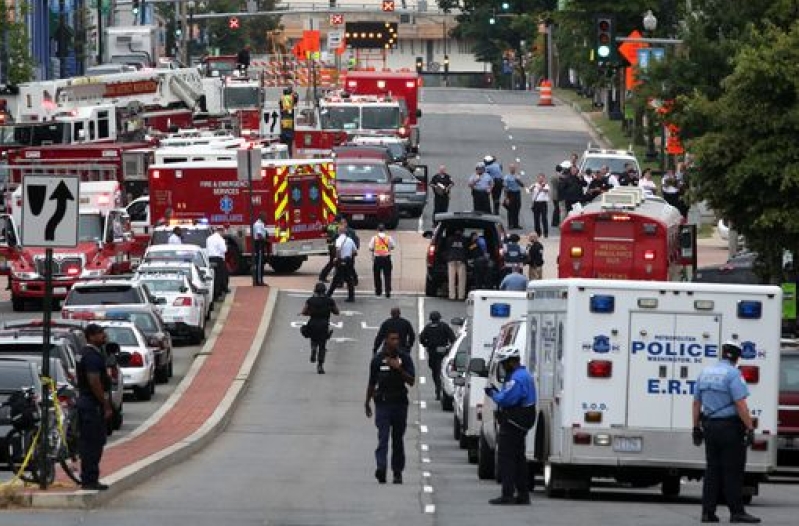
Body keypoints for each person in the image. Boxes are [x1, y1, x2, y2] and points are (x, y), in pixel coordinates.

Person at [692, 342, 760, 524]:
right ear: (737, 357)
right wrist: (750, 427)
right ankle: (737, 512)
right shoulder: (733, 374)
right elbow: (740, 404)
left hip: (710, 427)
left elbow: (696, 403)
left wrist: (695, 427)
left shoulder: (705, 373)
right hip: (729, 428)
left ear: (722, 354)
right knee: (733, 471)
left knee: (712, 471)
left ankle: (708, 513)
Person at [485, 346, 537, 505]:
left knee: (506, 458)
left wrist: (492, 393)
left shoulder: (517, 379)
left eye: (503, 363)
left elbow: (506, 399)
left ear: (510, 362)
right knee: (519, 458)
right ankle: (523, 494)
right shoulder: (524, 375)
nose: (502, 366)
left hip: (514, 421)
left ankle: (507, 494)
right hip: (522, 421)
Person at [365, 329, 416, 485]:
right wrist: (367, 402)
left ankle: (397, 472)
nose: (396, 342)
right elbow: (372, 383)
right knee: (383, 437)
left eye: (397, 339)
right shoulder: (377, 360)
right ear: (386, 340)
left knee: (398, 439)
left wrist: (398, 368)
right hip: (383, 403)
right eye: (393, 339)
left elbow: (411, 381)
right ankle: (381, 468)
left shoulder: (405, 358)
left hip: (400, 403)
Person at [76, 324, 113, 491]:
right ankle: (89, 480)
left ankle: (90, 478)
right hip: (91, 404)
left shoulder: (89, 353)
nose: (103, 335)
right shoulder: (91, 356)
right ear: (91, 336)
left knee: (94, 442)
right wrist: (105, 404)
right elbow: (94, 381)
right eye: (100, 333)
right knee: (93, 443)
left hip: (87, 402)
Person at [301, 282, 340, 374]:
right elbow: (337, 312)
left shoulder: (310, 300)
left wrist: (309, 313)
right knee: (322, 345)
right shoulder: (330, 300)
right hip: (324, 324)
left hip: (313, 323)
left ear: (315, 290)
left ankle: (313, 348)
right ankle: (320, 365)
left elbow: (304, 311)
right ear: (325, 291)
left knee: (312, 337)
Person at [418, 311, 457, 401]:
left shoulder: (427, 327)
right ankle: (439, 387)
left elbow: (421, 338)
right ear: (439, 318)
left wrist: (426, 345)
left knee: (435, 371)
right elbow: (453, 338)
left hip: (432, 352)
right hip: (443, 351)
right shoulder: (444, 326)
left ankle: (437, 388)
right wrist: (449, 347)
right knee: (441, 370)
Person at [327, 224, 357, 302]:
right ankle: (351, 296)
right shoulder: (350, 240)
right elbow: (354, 251)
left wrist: (337, 258)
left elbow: (338, 249)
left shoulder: (338, 240)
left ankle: (328, 295)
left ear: (339, 232)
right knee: (349, 279)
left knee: (336, 279)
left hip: (341, 260)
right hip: (348, 261)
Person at [368, 224, 395, 298]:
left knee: (377, 275)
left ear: (377, 229)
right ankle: (387, 291)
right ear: (384, 230)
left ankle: (378, 291)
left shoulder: (374, 238)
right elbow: (393, 246)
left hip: (377, 258)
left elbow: (370, 247)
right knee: (387, 275)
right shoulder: (388, 238)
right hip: (386, 258)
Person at [206, 225, 229, 298]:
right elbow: (224, 250)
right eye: (223, 232)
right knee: (219, 276)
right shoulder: (220, 239)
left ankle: (213, 293)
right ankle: (217, 293)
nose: (223, 234)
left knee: (213, 276)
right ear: (221, 231)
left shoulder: (209, 238)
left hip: (210, 258)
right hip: (218, 259)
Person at [444, 228, 468, 300]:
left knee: (451, 279)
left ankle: (452, 295)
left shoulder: (449, 239)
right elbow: (467, 250)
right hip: (461, 260)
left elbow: (446, 249)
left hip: (451, 259)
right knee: (461, 279)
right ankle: (461, 296)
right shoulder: (464, 240)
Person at [503, 163, 523, 229]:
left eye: (514, 168)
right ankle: (510, 224)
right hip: (510, 193)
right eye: (511, 168)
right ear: (509, 169)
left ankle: (516, 224)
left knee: (517, 208)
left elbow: (522, 185)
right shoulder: (506, 177)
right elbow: (505, 188)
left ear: (515, 169)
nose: (513, 169)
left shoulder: (518, 176)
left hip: (517, 193)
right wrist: (506, 198)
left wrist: (518, 180)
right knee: (510, 209)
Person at [529, 172, 550, 238]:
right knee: (536, 218)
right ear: (537, 178)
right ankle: (538, 232)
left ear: (544, 178)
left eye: (542, 178)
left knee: (544, 218)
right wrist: (532, 188)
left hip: (543, 203)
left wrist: (542, 188)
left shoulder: (546, 185)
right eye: (539, 178)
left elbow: (547, 190)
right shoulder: (534, 185)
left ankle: (545, 233)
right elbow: (529, 190)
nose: (541, 179)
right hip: (536, 203)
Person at [252, 213, 267, 286]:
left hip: (260, 243)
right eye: (265, 216)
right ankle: (259, 281)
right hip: (259, 244)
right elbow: (259, 234)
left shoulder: (261, 223)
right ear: (261, 217)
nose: (266, 218)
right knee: (259, 264)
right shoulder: (258, 224)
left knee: (261, 263)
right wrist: (265, 240)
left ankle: (260, 280)